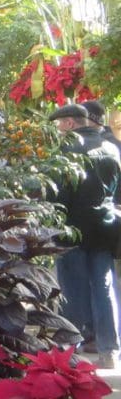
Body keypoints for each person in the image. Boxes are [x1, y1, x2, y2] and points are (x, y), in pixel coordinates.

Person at [49, 102, 121, 368]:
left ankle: (69, 350)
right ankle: (109, 350)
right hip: (104, 226)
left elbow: (57, 195)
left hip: (72, 229)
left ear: (70, 123)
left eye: (60, 125)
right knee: (104, 287)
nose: (58, 130)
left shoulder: (66, 149)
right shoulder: (111, 148)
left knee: (72, 290)